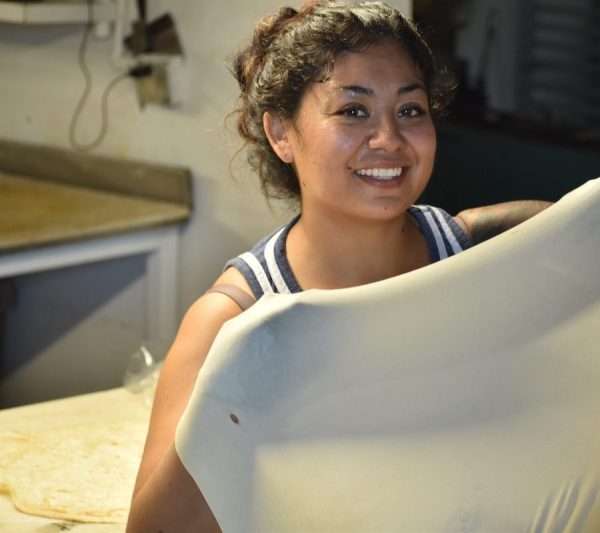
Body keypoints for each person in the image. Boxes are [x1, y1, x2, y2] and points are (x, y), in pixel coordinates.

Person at [126, 2, 550, 530]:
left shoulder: (482, 251)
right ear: (281, 133)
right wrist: (231, 399)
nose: (389, 139)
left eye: (410, 110)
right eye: (353, 111)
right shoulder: (232, 321)